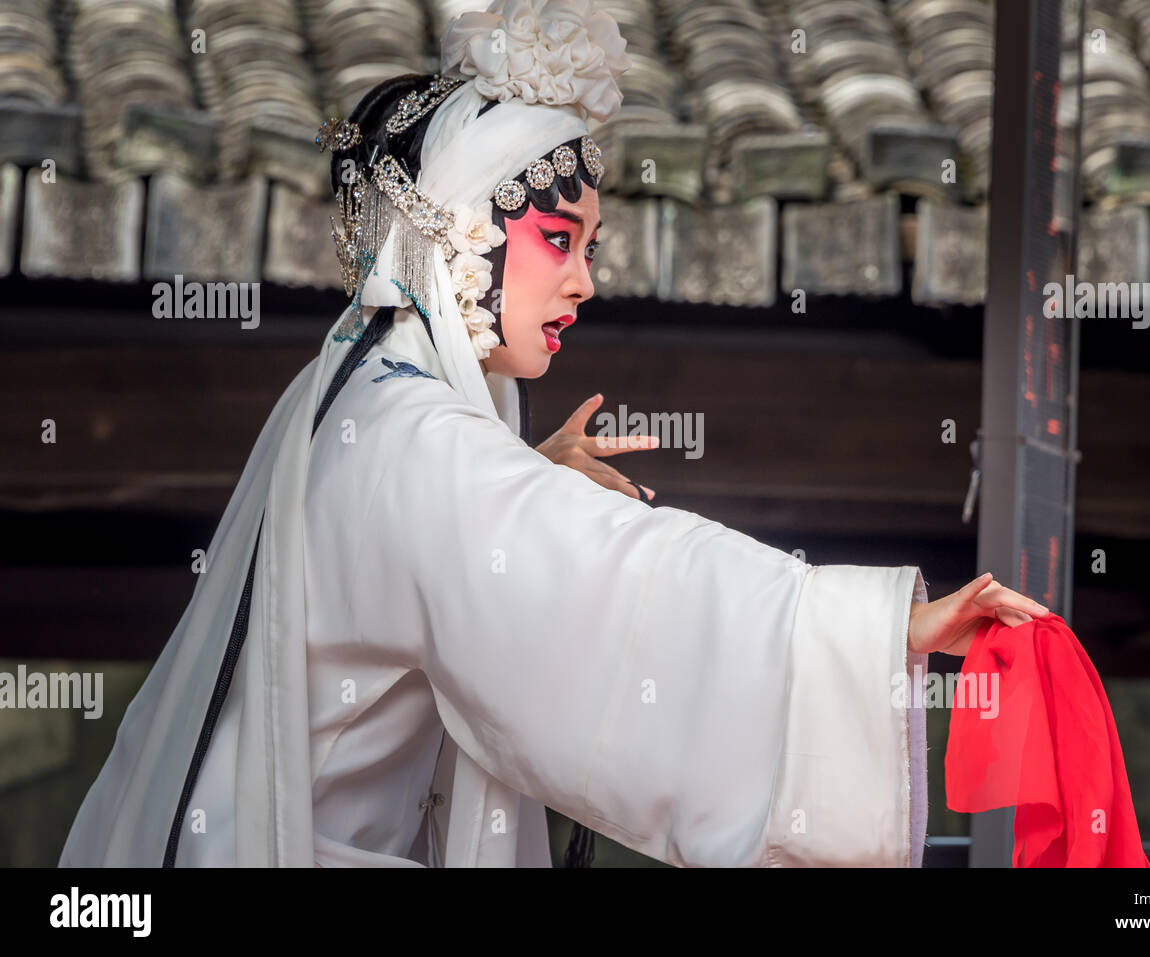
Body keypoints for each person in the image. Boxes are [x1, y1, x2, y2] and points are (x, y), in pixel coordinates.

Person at [59, 0, 1048, 868]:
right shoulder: (411, 433)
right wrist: (863, 636)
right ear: (461, 232)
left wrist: (515, 474)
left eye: (589, 247)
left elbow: (434, 549)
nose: (583, 281)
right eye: (557, 240)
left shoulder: (362, 394)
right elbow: (617, 583)